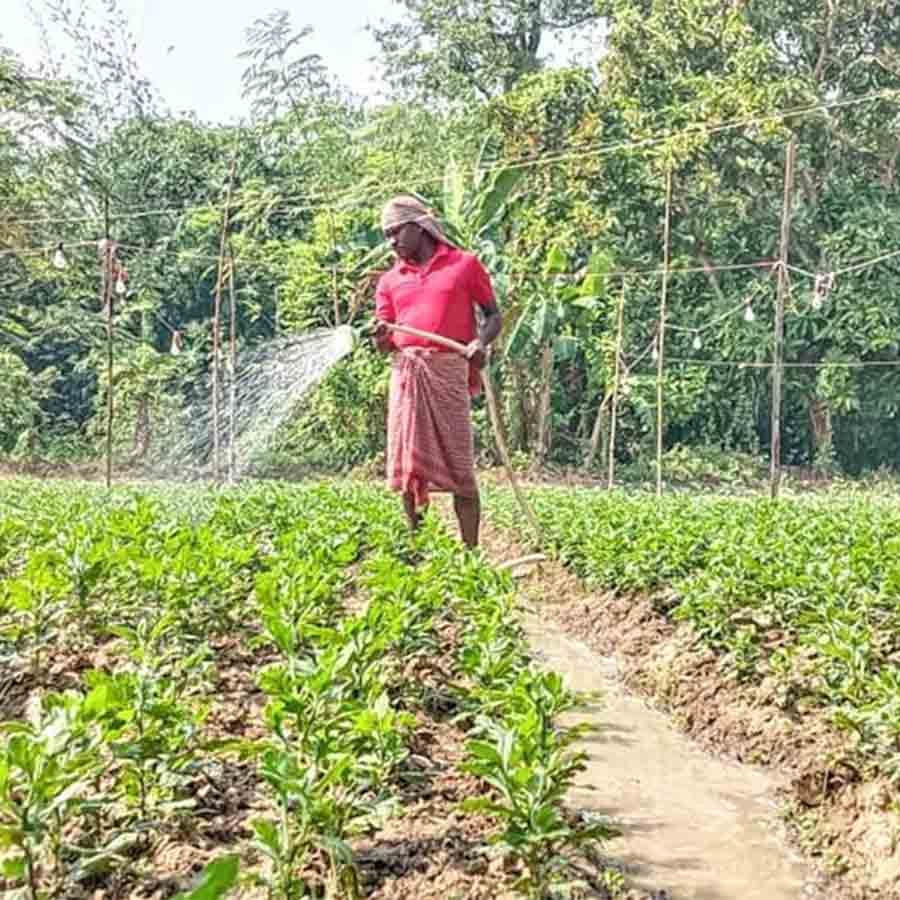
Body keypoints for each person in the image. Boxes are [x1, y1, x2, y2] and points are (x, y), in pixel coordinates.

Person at [372, 194, 502, 548]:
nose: (392, 242)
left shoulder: (464, 265)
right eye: (387, 235)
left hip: (448, 373)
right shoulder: (389, 281)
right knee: (409, 467)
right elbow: (385, 339)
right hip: (407, 375)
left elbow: (493, 315)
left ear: (419, 226)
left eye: (396, 232)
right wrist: (382, 338)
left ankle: (470, 553)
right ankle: (419, 547)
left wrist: (480, 343)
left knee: (461, 470)